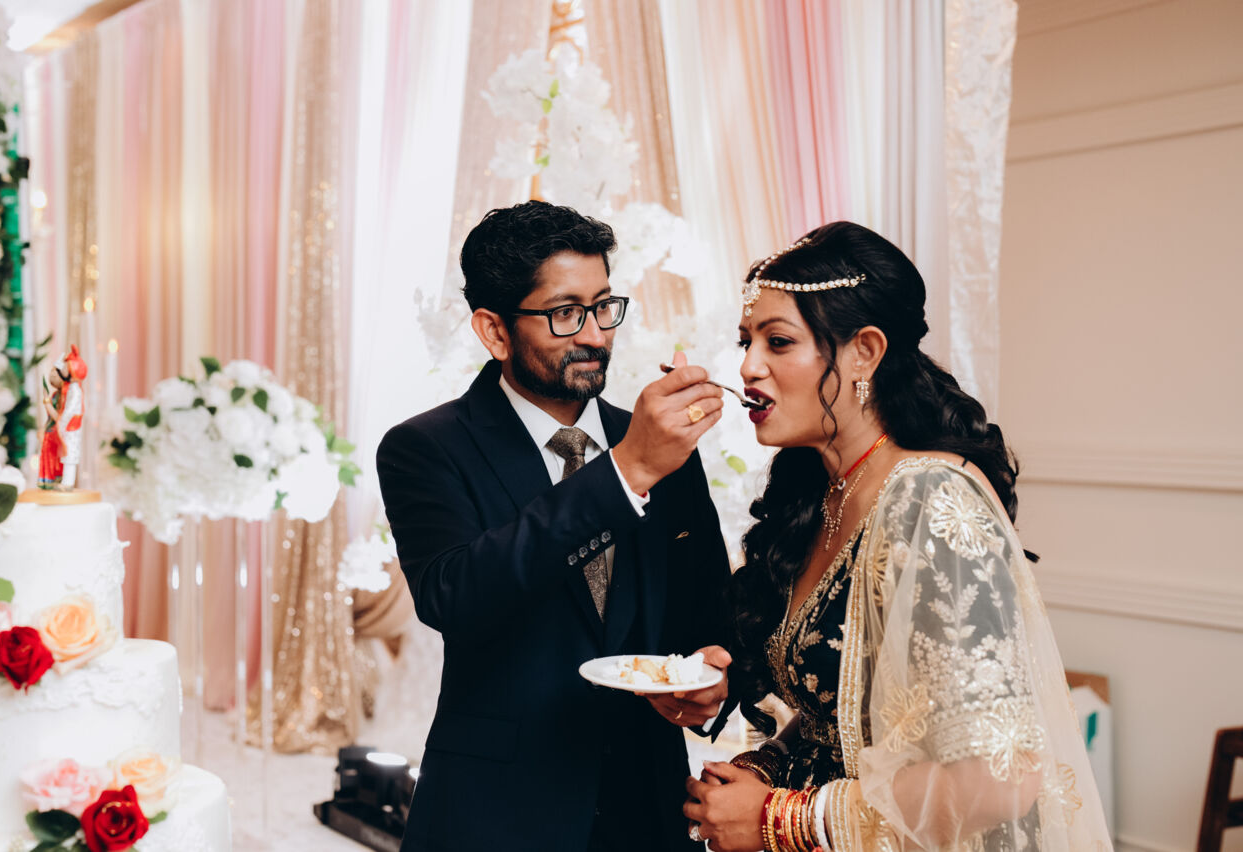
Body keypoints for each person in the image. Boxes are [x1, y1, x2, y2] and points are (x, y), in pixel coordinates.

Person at [682, 221, 1112, 851]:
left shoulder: (929, 498)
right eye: (747, 342)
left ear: (865, 351)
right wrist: (766, 767)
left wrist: (780, 817)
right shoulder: (820, 493)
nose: (748, 366)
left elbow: (1001, 780)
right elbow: (847, 718)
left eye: (778, 342)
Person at [377, 200, 734, 851]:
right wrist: (624, 472)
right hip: (495, 814)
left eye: (603, 306)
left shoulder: (659, 445)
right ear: (494, 331)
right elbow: (453, 595)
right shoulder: (425, 447)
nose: (595, 335)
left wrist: (712, 676)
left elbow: (707, 609)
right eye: (566, 313)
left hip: (647, 808)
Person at [39, 345, 87, 491]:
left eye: (65, 368)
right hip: (66, 427)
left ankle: (67, 483)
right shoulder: (69, 390)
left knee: (69, 456)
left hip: (70, 427)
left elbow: (70, 411)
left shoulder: (75, 391)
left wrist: (62, 420)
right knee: (66, 455)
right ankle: (65, 482)